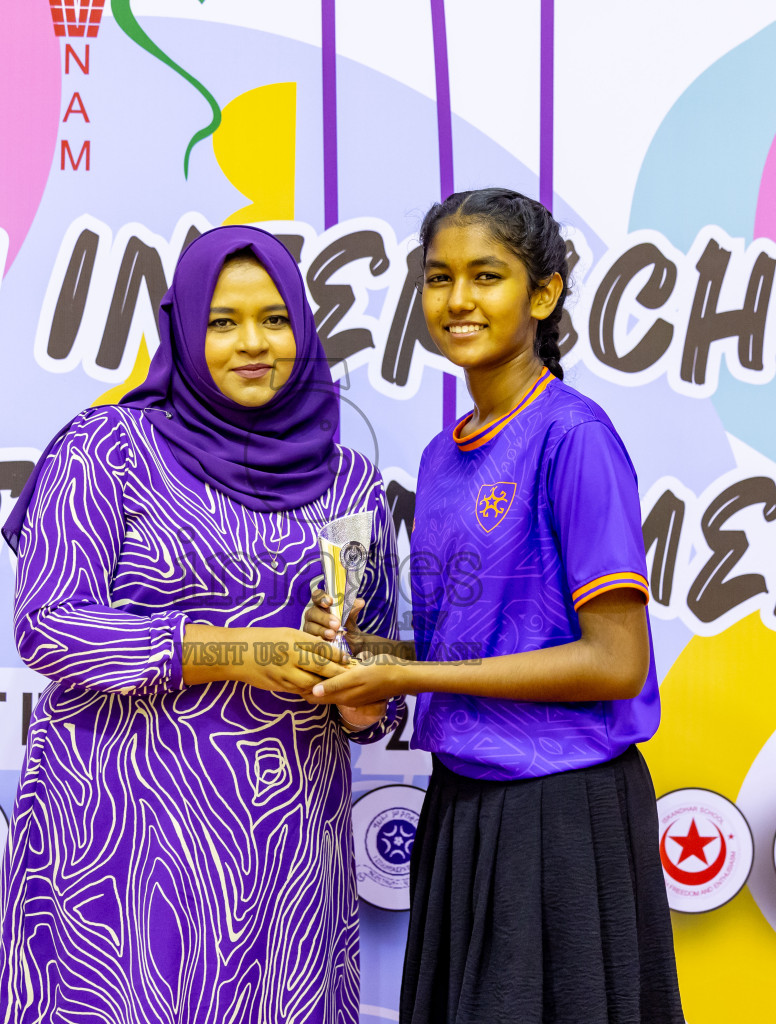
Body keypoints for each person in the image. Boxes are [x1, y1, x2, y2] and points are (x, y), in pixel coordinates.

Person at [0, 225, 403, 1024]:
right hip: (118, 834)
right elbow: (48, 626)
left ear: (304, 333)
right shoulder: (107, 449)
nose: (253, 343)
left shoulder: (350, 484)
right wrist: (234, 651)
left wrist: (354, 684)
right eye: (222, 321)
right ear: (182, 330)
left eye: (275, 320)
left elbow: (374, 675)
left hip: (284, 843)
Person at [305, 188, 685, 1024]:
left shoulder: (574, 438)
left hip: (564, 815)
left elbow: (616, 662)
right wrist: (366, 657)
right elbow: (476, 639)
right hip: (462, 809)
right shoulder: (443, 458)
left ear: (543, 295)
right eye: (439, 278)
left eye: (488, 275)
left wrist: (413, 673)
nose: (459, 300)